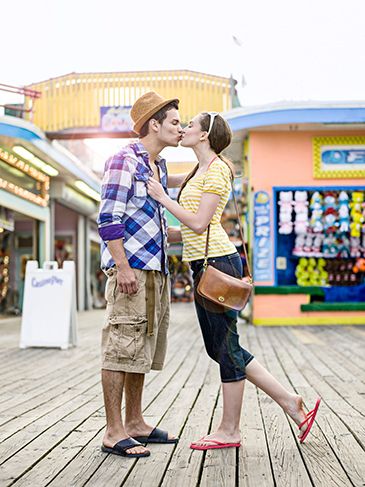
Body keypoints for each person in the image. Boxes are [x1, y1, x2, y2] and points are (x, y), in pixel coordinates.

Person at [147, 111, 321, 450]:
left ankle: (231, 430)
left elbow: (198, 223)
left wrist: (163, 199)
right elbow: (190, 226)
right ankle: (290, 402)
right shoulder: (198, 171)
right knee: (221, 349)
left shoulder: (218, 172)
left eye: (190, 126)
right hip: (204, 265)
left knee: (226, 350)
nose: (184, 129)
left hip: (218, 265)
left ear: (205, 135)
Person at [97, 91, 186, 458]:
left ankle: (134, 422)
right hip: (131, 269)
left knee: (141, 346)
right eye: (176, 122)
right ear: (155, 124)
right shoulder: (123, 160)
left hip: (155, 269)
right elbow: (107, 219)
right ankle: (113, 431)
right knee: (120, 345)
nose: (181, 129)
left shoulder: (158, 167)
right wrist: (122, 267)